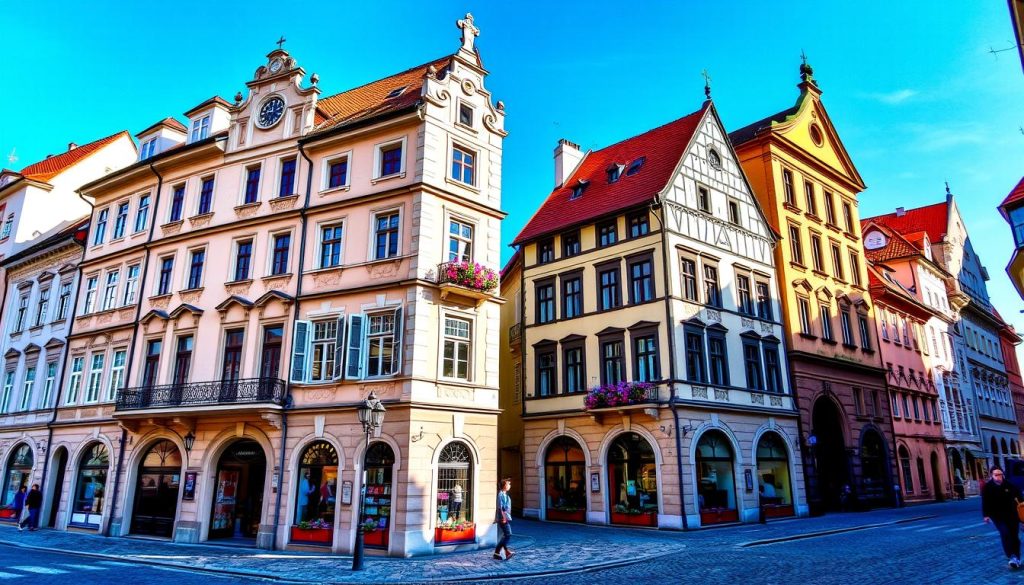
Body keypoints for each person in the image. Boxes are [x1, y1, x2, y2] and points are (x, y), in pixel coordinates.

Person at [982, 465, 1023, 569]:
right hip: (997, 516)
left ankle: (1017, 558)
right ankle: (1011, 556)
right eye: (996, 475)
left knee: (1014, 536)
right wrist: (986, 515)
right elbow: (985, 502)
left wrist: (1023, 519)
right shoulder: (987, 487)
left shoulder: (1010, 485)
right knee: (1005, 533)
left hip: (1012, 515)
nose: (999, 477)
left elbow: (1021, 501)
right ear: (992, 476)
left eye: (1000, 474)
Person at [493, 478, 513, 561]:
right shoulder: (501, 495)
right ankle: (503, 552)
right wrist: (503, 518)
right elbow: (500, 508)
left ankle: (498, 553)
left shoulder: (505, 495)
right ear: (504, 485)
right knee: (508, 534)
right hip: (503, 518)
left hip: (505, 517)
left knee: (505, 535)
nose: (510, 485)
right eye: (508, 484)